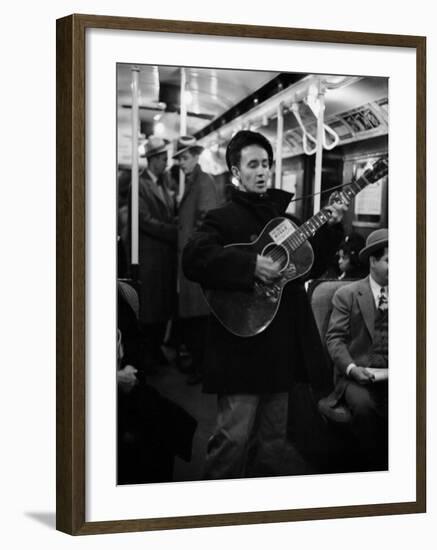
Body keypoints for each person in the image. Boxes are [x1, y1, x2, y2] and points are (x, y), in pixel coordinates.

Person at [182, 130, 349, 479]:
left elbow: (308, 264)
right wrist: (249, 265)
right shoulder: (221, 218)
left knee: (272, 443)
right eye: (253, 165)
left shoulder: (284, 222)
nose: (261, 171)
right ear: (236, 172)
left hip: (278, 349)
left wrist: (332, 229)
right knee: (232, 439)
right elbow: (194, 258)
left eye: (266, 165)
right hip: (239, 347)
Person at [325, 228, 389, 470]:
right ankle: (373, 471)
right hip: (356, 376)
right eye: (389, 261)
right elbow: (335, 340)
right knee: (365, 408)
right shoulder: (347, 295)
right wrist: (352, 369)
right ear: (372, 261)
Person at [173, 136, 218, 384]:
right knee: (193, 318)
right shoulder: (193, 181)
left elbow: (207, 221)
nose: (181, 162)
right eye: (179, 158)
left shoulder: (204, 182)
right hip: (189, 260)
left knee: (199, 319)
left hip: (197, 260)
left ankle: (202, 368)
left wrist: (191, 243)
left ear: (196, 157)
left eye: (185, 157)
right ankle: (198, 364)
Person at [137, 136, 177, 371]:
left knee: (163, 306)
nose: (166, 163)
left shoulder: (164, 184)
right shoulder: (139, 185)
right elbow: (144, 221)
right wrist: (174, 231)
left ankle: (156, 349)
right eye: (163, 159)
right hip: (150, 256)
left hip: (165, 256)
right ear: (152, 160)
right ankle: (149, 352)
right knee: (151, 308)